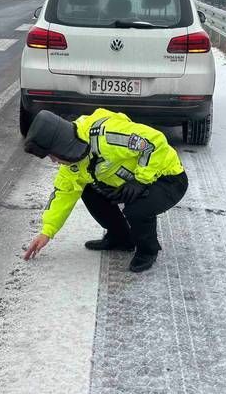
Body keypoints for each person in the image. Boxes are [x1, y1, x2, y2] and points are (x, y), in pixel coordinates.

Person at [21, 108, 189, 272]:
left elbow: (154, 142)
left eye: (52, 156)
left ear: (61, 146)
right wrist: (47, 232)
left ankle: (147, 251)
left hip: (167, 177)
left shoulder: (106, 136)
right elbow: (63, 193)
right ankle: (121, 238)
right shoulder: (72, 164)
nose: (54, 161)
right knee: (88, 190)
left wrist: (140, 180)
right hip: (130, 181)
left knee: (136, 210)